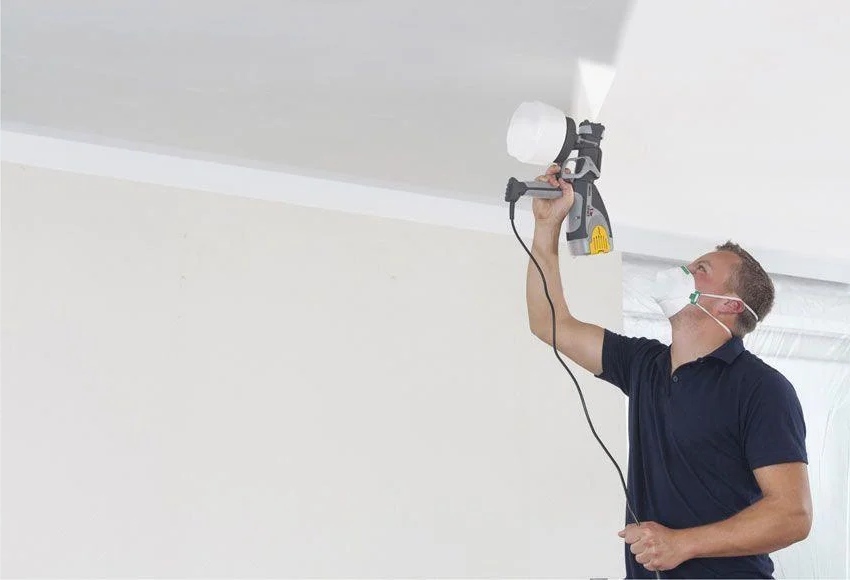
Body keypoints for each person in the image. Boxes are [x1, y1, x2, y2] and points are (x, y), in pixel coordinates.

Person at [526, 165, 812, 578]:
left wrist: (682, 544)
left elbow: (793, 514)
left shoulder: (761, 388)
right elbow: (549, 323)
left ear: (730, 305)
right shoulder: (644, 365)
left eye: (701, 269)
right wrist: (546, 227)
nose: (684, 271)